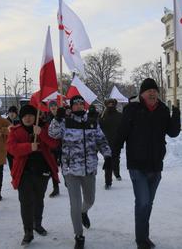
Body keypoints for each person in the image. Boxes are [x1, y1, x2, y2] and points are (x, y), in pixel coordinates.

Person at [115, 78, 181, 249]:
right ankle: (141, 240)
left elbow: (173, 133)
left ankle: (144, 235)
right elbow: (121, 134)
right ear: (142, 94)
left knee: (148, 204)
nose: (152, 93)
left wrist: (176, 114)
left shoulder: (163, 110)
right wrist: (112, 158)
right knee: (143, 202)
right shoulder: (132, 110)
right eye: (148, 91)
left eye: (155, 90)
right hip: (137, 165)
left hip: (156, 165)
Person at [48, 95, 111, 249]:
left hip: (89, 168)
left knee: (90, 200)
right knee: (74, 204)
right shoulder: (65, 122)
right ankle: (79, 235)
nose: (78, 106)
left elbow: (101, 140)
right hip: (71, 169)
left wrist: (108, 155)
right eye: (75, 104)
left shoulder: (92, 122)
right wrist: (57, 118)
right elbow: (53, 134)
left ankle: (84, 212)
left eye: (80, 103)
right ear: (71, 106)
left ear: (84, 105)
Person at [7, 104, 60, 245]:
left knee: (39, 199)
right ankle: (28, 231)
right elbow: (11, 149)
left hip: (42, 171)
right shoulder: (15, 131)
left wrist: (41, 133)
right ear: (21, 117)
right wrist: (29, 147)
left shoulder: (45, 127)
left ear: (35, 116)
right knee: (25, 202)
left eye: (30, 115)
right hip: (24, 172)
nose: (28, 118)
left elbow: (54, 144)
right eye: (24, 116)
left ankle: (38, 224)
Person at [99, 98, 123, 189]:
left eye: (112, 103)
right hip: (106, 142)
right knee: (108, 160)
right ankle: (108, 182)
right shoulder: (102, 115)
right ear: (106, 105)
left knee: (116, 159)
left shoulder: (119, 115)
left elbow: (122, 129)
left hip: (116, 141)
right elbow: (98, 128)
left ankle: (117, 173)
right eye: (109, 103)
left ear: (115, 104)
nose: (110, 105)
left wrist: (121, 139)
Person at [46, 100, 61, 197]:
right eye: (51, 106)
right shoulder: (47, 117)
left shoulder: (62, 116)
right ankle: (56, 188)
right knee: (53, 168)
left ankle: (68, 182)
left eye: (54, 105)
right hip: (52, 146)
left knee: (65, 166)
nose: (53, 107)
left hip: (63, 145)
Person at [6, 106, 20, 171]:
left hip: (18, 146)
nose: (11, 114)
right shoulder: (5, 122)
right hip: (9, 148)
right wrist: (6, 130)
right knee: (12, 167)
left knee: (19, 166)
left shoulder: (20, 121)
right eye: (10, 112)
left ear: (16, 113)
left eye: (13, 112)